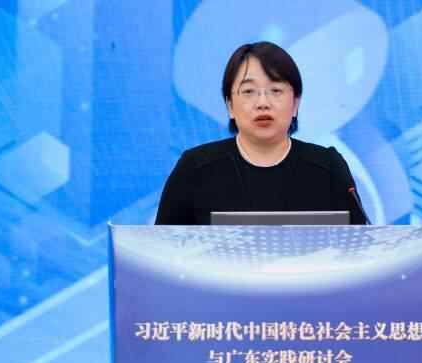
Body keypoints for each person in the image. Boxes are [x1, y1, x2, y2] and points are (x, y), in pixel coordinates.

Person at [155, 41, 368, 225]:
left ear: (295, 104)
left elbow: (360, 248)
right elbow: (162, 251)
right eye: (249, 91)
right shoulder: (195, 168)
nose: (263, 103)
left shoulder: (328, 167)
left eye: (276, 90)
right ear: (230, 105)